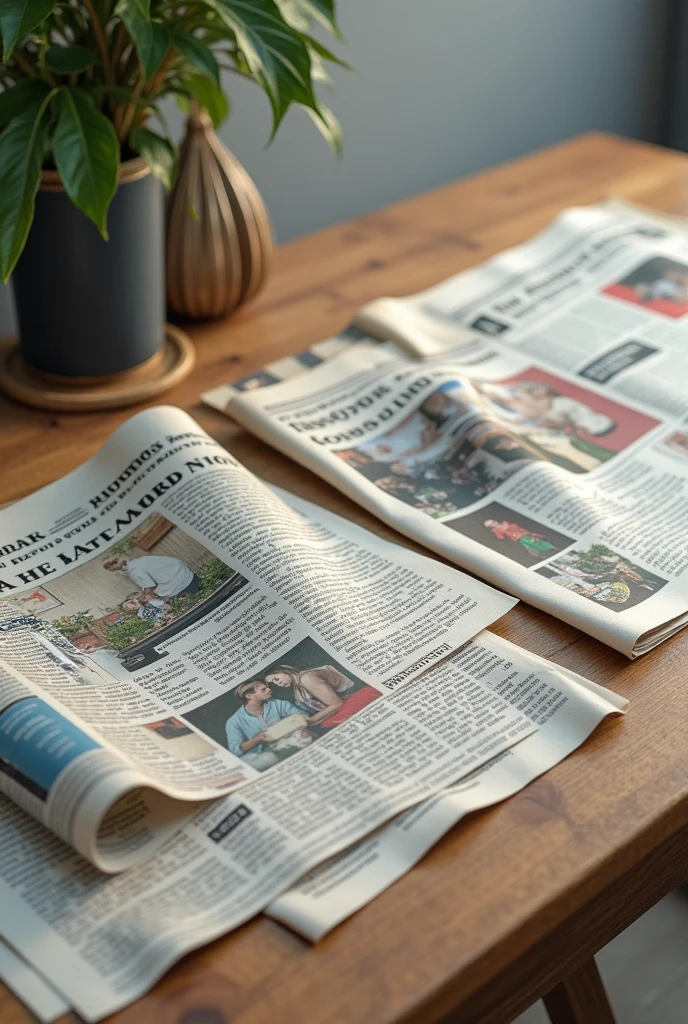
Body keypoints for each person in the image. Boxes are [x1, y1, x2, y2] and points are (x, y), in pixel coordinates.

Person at [265, 664, 378, 728]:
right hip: (342, 707)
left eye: (276, 679)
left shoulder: (307, 678)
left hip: (357, 698)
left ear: (284, 670)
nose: (278, 684)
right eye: (274, 684)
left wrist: (310, 721)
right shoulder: (297, 687)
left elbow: (336, 704)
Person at [225, 680, 302, 770]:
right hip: (258, 756)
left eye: (267, 687)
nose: (269, 689)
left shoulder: (279, 704)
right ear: (249, 696)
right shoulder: (233, 721)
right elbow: (236, 751)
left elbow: (302, 717)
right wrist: (257, 739)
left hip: (288, 744)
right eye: (263, 689)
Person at [103, 553, 200, 599]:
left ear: (114, 564)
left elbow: (150, 585)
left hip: (178, 577)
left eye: (109, 567)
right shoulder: (136, 563)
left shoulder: (134, 570)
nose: (111, 570)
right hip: (179, 570)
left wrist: (144, 597)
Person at [483, 519, 556, 558]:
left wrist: (508, 526)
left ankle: (551, 548)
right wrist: (496, 531)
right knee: (532, 545)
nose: (495, 522)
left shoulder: (505, 522)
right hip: (519, 538)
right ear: (491, 527)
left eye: (493, 521)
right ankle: (546, 552)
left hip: (525, 533)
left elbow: (516, 526)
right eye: (492, 523)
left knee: (536, 541)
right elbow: (501, 537)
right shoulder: (497, 530)